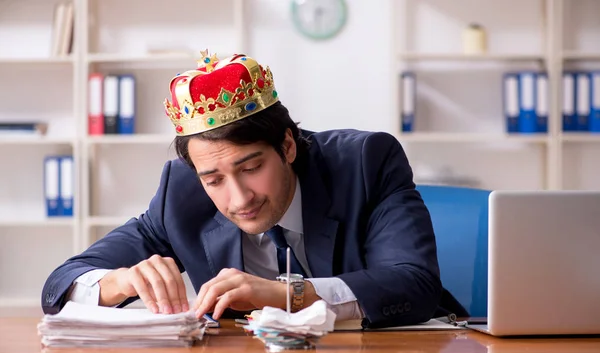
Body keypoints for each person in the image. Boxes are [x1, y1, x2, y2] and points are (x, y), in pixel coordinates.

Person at [41, 51, 459, 328]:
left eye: (252, 167)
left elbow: (414, 284)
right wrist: (119, 283)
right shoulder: (181, 195)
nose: (239, 199)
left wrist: (287, 295)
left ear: (289, 145)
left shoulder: (366, 163)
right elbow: (60, 284)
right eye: (215, 180)